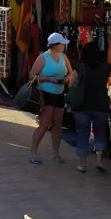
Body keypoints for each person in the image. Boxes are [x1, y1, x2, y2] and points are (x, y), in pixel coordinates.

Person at [28, 33, 75, 165]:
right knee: (44, 124)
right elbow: (32, 75)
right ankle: (33, 152)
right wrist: (48, 79)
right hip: (46, 94)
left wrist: (65, 79)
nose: (64, 46)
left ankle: (56, 153)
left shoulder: (63, 57)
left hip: (59, 93)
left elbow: (70, 72)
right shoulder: (43, 57)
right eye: (62, 43)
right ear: (55, 45)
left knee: (58, 124)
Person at [73, 41, 111, 173]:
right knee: (100, 131)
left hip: (82, 105)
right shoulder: (106, 67)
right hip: (101, 104)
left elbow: (71, 81)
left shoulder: (80, 67)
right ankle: (99, 160)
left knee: (82, 133)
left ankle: (82, 165)